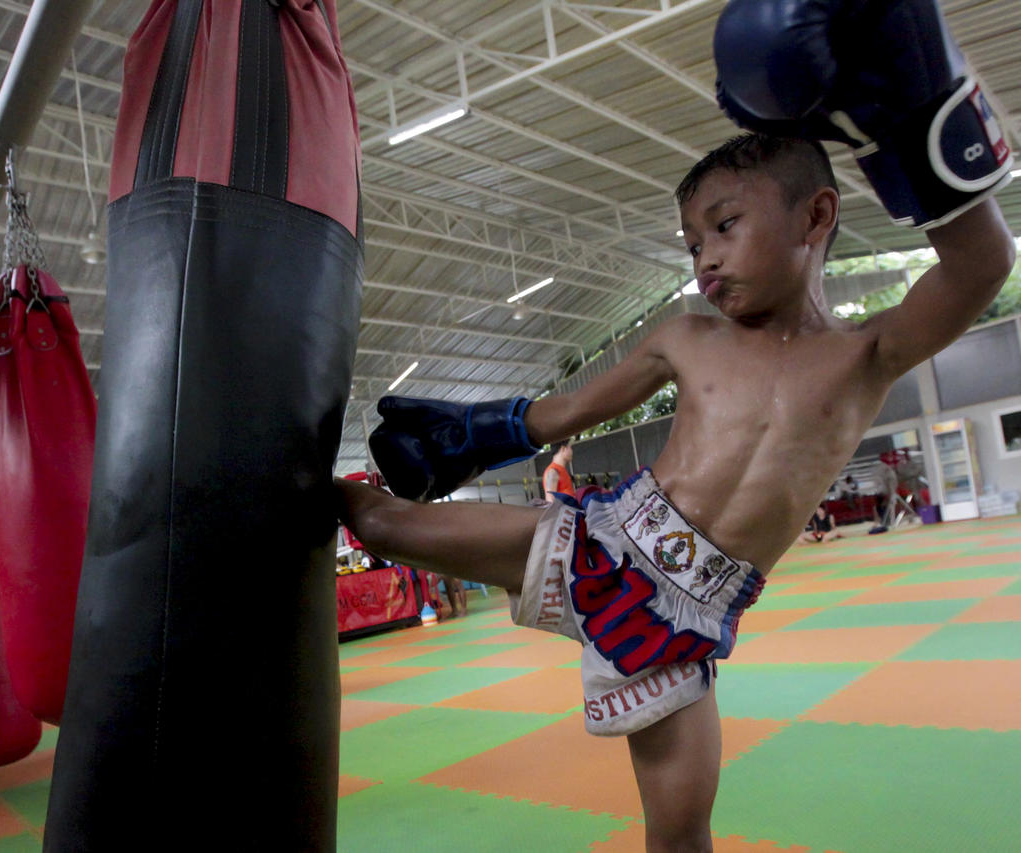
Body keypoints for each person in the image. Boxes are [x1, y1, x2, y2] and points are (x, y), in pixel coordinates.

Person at [340, 4, 1015, 848]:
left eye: (725, 227)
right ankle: (254, 488)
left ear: (816, 218)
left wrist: (910, 111)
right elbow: (564, 413)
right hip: (603, 537)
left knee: (681, 831)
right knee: (379, 519)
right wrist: (470, 434)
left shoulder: (865, 355)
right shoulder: (684, 337)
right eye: (692, 243)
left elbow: (984, 263)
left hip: (687, 616)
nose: (704, 259)